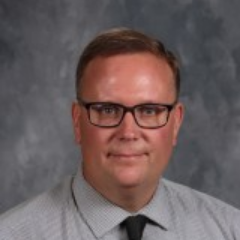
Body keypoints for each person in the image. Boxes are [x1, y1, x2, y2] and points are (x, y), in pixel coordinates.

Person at [0, 28, 240, 240]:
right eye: (107, 110)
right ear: (77, 121)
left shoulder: (230, 230)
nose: (128, 132)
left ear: (175, 123)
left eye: (149, 110)